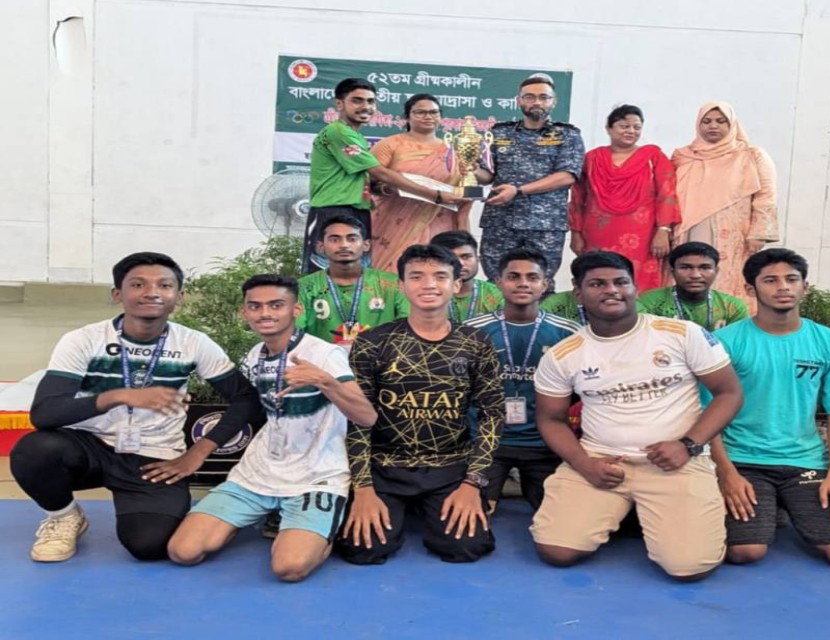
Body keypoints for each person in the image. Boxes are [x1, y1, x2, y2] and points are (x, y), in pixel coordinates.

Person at [10, 252, 261, 562]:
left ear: (178, 297)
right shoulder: (83, 340)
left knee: (149, 545)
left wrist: (198, 453)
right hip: (88, 447)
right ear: (118, 294)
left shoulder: (194, 343)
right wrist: (118, 396)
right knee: (35, 451)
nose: (152, 292)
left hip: (154, 455)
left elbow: (246, 398)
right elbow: (44, 413)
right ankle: (64, 516)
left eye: (164, 285)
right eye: (138, 284)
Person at [531, 250, 743, 580]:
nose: (611, 290)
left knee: (689, 568)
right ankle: (627, 510)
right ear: (578, 293)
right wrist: (585, 464)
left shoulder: (682, 334)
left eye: (620, 282)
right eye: (597, 284)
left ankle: (660, 516)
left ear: (635, 288)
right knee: (557, 551)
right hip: (601, 461)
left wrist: (688, 445)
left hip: (677, 460)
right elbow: (550, 419)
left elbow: (729, 393)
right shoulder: (563, 355)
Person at [167, 275, 377, 581]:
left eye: (276, 305)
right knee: (183, 552)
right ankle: (265, 514)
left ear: (296, 309)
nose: (265, 313)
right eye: (255, 306)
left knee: (289, 568)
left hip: (316, 476)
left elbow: (367, 417)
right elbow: (251, 408)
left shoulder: (324, 354)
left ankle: (321, 529)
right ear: (244, 312)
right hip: (258, 474)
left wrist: (324, 381)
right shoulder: (254, 355)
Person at [337, 244, 505, 564]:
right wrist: (363, 489)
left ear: (456, 285)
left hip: (450, 467)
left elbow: (492, 414)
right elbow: (357, 419)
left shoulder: (476, 342)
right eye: (417, 276)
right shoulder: (373, 342)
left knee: (466, 547)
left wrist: (473, 483)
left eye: (440, 276)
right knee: (363, 549)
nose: (429, 284)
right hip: (385, 466)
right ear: (401, 286)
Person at [710, 249, 830, 567]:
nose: (783, 287)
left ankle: (783, 503)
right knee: (746, 551)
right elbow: (706, 412)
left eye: (791, 279)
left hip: (805, 461)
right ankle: (771, 506)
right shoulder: (723, 342)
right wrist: (725, 473)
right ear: (751, 289)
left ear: (804, 287)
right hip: (743, 461)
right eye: (770, 280)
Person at [305, 78, 465, 272]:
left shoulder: (355, 136)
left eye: (370, 101)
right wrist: (435, 195)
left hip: (358, 209)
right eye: (357, 100)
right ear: (339, 104)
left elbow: (376, 181)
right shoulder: (338, 132)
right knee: (325, 273)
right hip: (333, 209)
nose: (366, 106)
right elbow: (380, 173)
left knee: (355, 275)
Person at [465, 248, 581, 512]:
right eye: (513, 276)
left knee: (556, 516)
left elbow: (579, 390)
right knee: (474, 517)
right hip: (486, 442)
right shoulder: (472, 330)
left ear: (545, 284)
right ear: (498, 282)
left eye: (532, 277)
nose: (523, 283)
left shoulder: (569, 333)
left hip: (544, 443)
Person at [476, 76, 585, 287]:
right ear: (519, 100)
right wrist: (468, 168)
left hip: (545, 225)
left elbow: (566, 176)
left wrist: (518, 191)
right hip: (500, 222)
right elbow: (487, 175)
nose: (536, 102)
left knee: (541, 283)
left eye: (543, 97)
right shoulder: (498, 133)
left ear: (553, 102)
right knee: (497, 281)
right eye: (529, 97)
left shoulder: (567, 135)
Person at [672, 102, 779, 307]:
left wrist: (759, 232)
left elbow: (766, 195)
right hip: (688, 229)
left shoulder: (752, 155)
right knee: (689, 272)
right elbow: (667, 194)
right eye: (706, 121)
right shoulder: (683, 156)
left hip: (732, 232)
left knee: (727, 277)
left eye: (721, 121)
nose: (713, 126)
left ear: (732, 124)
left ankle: (728, 319)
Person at [569, 105, 681, 292]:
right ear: (608, 128)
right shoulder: (592, 158)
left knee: (638, 280)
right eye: (624, 126)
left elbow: (667, 195)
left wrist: (663, 230)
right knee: (597, 275)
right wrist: (576, 233)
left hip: (642, 235)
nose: (631, 131)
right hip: (597, 234)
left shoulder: (653, 157)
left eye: (637, 127)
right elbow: (577, 198)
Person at [369, 94, 472, 274]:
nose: (428, 116)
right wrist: (390, 188)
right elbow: (371, 182)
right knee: (391, 274)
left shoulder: (452, 150)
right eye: (420, 112)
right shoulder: (389, 145)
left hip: (439, 222)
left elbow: (466, 183)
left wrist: (469, 189)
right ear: (406, 117)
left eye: (434, 112)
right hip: (394, 221)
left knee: (436, 272)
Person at [297, 213, 409, 349]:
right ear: (320, 246)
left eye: (352, 239)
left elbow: (408, 328)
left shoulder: (392, 284)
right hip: (321, 359)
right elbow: (294, 333)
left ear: (366, 245)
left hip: (381, 359)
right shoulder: (303, 287)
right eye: (334, 239)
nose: (344, 245)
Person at [637, 241, 748, 331]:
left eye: (704, 268)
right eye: (685, 267)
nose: (695, 275)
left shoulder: (732, 307)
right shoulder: (649, 302)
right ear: (672, 271)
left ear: (716, 271)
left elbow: (736, 346)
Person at [430, 230, 504, 322]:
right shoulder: (423, 294)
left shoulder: (498, 294)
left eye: (466, 257)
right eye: (451, 258)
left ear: (478, 259)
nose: (460, 263)